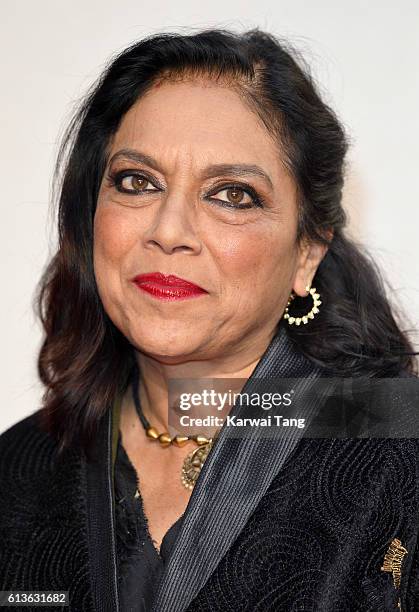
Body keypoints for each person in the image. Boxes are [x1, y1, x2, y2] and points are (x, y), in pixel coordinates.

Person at [0, 27, 418, 612]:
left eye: (231, 195)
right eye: (137, 182)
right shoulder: (20, 466)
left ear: (307, 254)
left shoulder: (398, 448)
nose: (169, 231)